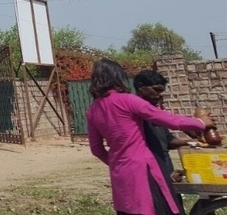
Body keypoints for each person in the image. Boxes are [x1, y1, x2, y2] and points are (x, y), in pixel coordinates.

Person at [87, 59, 215, 215]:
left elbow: (97, 149)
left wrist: (117, 162)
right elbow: (167, 119)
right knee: (155, 207)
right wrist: (201, 122)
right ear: (118, 77)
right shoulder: (128, 100)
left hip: (120, 172)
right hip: (144, 169)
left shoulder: (93, 110)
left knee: (129, 209)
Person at [133, 70, 192, 213]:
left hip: (164, 163)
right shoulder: (136, 113)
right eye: (156, 90)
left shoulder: (154, 112)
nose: (160, 94)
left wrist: (191, 142)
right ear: (141, 87)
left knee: (173, 205)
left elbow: (168, 140)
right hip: (149, 168)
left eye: (162, 91)